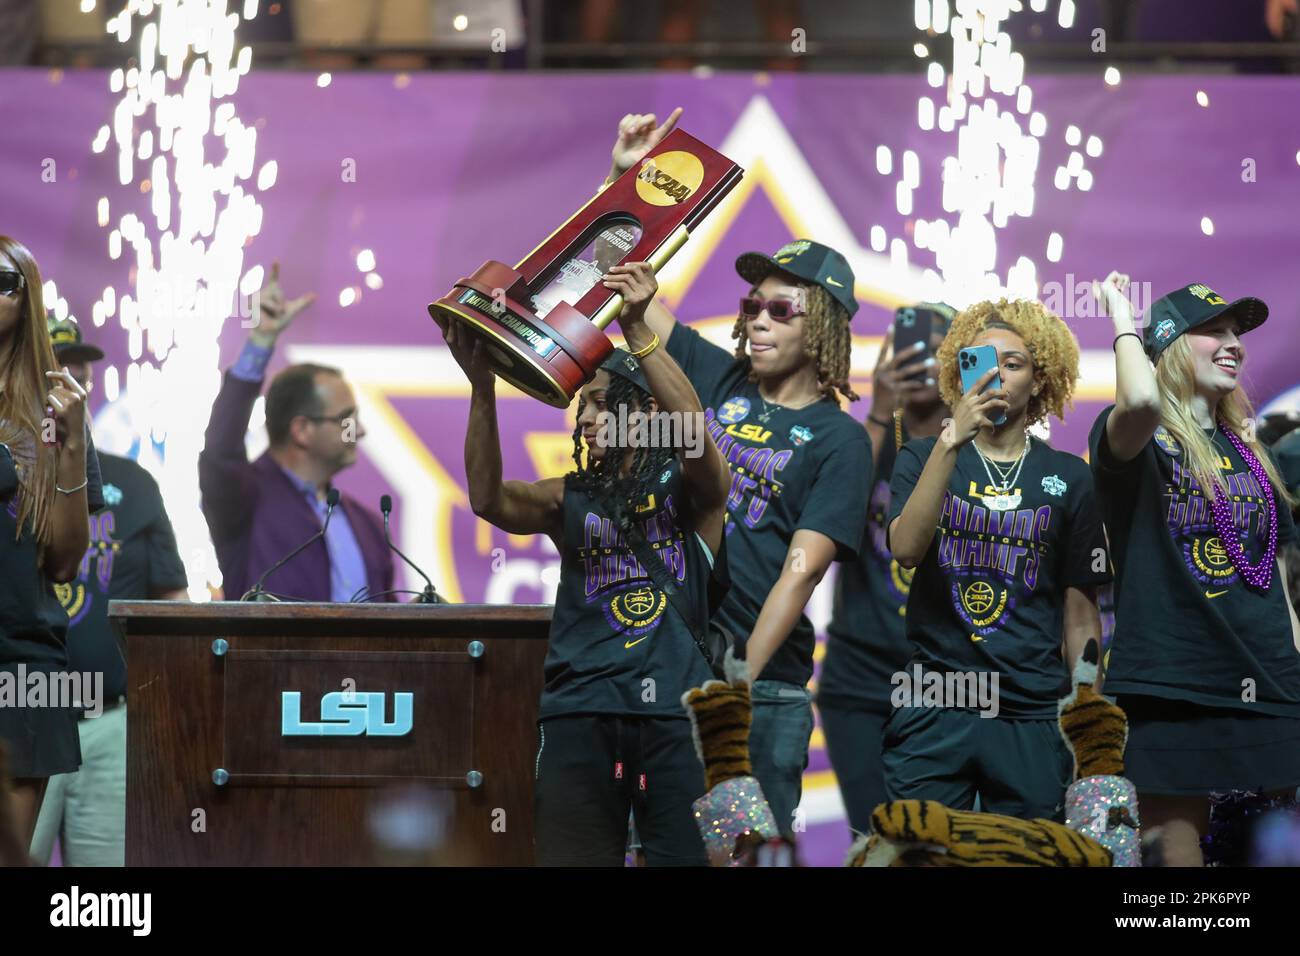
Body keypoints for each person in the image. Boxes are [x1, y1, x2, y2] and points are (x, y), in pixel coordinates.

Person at [602, 110, 873, 837]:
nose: (755, 319)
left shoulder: (839, 440)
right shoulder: (716, 382)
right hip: (674, 671)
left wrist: (743, 679)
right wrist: (626, 183)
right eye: (752, 305)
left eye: (779, 310)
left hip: (763, 688)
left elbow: (800, 572)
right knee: (655, 849)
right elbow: (630, 296)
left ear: (822, 329)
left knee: (745, 857)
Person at [438, 260, 731, 866]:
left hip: (675, 719)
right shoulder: (568, 495)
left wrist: (639, 331)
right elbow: (489, 498)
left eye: (607, 403)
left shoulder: (693, 493)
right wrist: (482, 387)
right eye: (585, 405)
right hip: (580, 716)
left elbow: (695, 436)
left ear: (647, 413)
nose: (589, 416)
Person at [1089, 273, 1300, 866]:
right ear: (1170, 346)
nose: (1233, 342)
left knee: (1274, 858)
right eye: (1213, 330)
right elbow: (1141, 400)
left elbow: (1275, 574)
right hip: (1171, 685)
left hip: (1269, 682)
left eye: (1238, 332)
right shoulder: (1139, 437)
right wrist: (1122, 319)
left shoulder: (1250, 451)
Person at [885, 298, 1111, 820]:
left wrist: (1089, 723)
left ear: (1039, 381)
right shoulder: (922, 455)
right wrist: (949, 443)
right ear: (958, 373)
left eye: (1013, 363)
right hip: (933, 703)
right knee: (917, 856)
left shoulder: (1071, 478)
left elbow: (1081, 616)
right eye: (979, 361)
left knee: (1028, 857)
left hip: (1030, 712)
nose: (996, 375)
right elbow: (906, 549)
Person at [29, 316, 189, 867]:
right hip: (22, 709)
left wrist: (169, 713)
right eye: (58, 362)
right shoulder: (11, 476)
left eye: (80, 365)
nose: (72, 375)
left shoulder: (136, 483)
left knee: (106, 894)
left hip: (113, 721)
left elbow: (172, 604)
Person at [819, 303, 954, 837]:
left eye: (937, 347)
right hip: (858, 679)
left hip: (945, 681)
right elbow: (832, 520)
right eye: (907, 345)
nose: (919, 358)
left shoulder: (978, 447)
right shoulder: (864, 441)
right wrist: (878, 410)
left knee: (934, 843)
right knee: (874, 841)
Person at [199, 264, 393, 602]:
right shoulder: (244, 499)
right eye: (347, 419)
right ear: (302, 430)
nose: (359, 431)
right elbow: (220, 450)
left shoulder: (369, 526)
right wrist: (260, 341)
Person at [0, 235, 104, 850]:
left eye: (3, 282)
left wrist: (68, 447)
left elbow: (64, 564)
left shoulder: (54, 408)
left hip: (19, 663)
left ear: (27, 299)